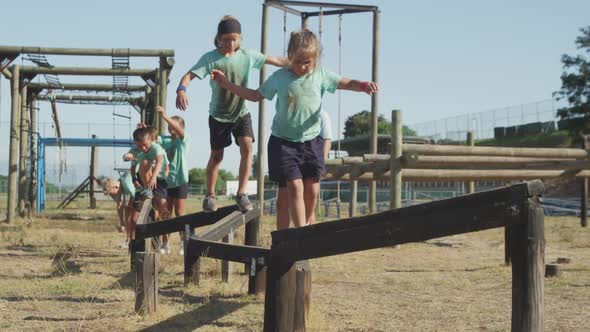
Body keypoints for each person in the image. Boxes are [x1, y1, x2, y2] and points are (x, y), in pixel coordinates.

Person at [211, 29, 378, 229]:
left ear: (315, 59)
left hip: (311, 141)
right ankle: (300, 234)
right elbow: (255, 95)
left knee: (312, 191)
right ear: (290, 57)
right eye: (297, 62)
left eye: (307, 62)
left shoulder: (320, 75)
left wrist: (363, 85)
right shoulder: (280, 77)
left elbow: (344, 82)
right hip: (284, 143)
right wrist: (227, 84)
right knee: (294, 187)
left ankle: (307, 223)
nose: (302, 67)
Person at [176, 15, 288, 212]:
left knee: (247, 147)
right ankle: (210, 195)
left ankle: (241, 193)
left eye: (233, 39)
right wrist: (181, 90)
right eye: (226, 39)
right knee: (217, 156)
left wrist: (297, 61)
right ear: (219, 38)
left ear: (240, 39)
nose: (230, 43)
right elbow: (188, 75)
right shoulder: (210, 59)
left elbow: (276, 59)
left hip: (241, 113)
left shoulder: (247, 56)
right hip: (219, 115)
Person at [275, 109, 333, 229]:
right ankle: (281, 241)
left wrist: (321, 161)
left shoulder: (322, 115)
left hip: (310, 155)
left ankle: (307, 237)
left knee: (310, 200)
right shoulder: (287, 113)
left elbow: (327, 140)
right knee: (283, 201)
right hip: (289, 151)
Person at [129, 126, 171, 251]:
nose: (144, 148)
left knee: (160, 213)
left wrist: (154, 178)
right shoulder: (139, 151)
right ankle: (133, 242)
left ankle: (164, 241)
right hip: (143, 183)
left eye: (146, 145)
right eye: (140, 145)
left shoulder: (157, 149)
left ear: (153, 140)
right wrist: (135, 180)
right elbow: (132, 166)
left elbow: (163, 165)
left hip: (158, 180)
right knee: (134, 218)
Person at [155, 106, 190, 255]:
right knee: (165, 213)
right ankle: (165, 243)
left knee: (180, 214)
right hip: (166, 182)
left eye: (173, 125)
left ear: (181, 127)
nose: (170, 127)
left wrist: (165, 115)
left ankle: (183, 243)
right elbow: (152, 139)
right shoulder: (164, 140)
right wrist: (145, 130)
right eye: (169, 125)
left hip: (180, 181)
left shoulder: (184, 139)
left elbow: (178, 130)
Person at [102, 173, 137, 248]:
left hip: (143, 192)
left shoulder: (128, 185)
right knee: (128, 211)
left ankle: (132, 240)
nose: (113, 196)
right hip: (135, 194)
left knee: (130, 213)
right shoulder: (119, 182)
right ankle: (128, 240)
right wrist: (122, 222)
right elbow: (119, 204)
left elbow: (136, 197)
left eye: (112, 194)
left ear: (115, 187)